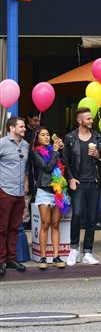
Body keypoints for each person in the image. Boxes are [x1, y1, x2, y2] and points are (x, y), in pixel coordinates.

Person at [63, 107, 101, 266]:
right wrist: (71, 178)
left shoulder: (98, 137)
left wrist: (99, 156)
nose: (91, 121)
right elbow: (66, 161)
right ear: (80, 120)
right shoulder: (70, 138)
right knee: (77, 214)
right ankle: (73, 249)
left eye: (91, 118)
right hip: (78, 183)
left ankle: (88, 252)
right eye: (88, 118)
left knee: (91, 218)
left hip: (93, 182)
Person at [32, 127, 70, 269]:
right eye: (43, 135)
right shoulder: (36, 152)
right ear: (38, 138)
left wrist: (62, 150)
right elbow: (47, 167)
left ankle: (56, 256)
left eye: (48, 134)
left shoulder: (55, 150)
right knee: (45, 223)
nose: (47, 137)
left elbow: (65, 164)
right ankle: (43, 257)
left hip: (57, 190)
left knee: (55, 224)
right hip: (44, 190)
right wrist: (54, 151)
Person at [0, 116, 29, 275]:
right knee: (2, 227)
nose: (24, 129)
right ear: (12, 128)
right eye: (21, 127)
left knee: (14, 227)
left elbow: (24, 168)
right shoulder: (2, 143)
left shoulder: (25, 145)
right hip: (5, 190)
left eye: (24, 127)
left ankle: (11, 258)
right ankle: (1, 259)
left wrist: (25, 183)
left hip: (19, 193)